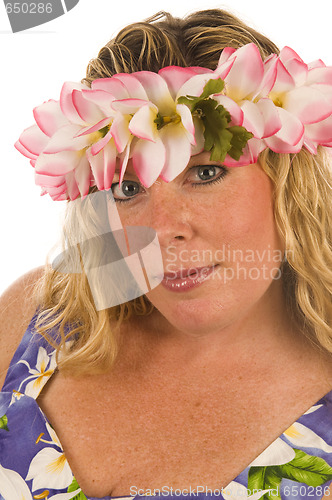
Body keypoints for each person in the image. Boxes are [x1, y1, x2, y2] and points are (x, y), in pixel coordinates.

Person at [1, 8, 332, 500]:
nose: (161, 229)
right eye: (128, 186)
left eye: (205, 174)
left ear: (287, 181)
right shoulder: (38, 318)